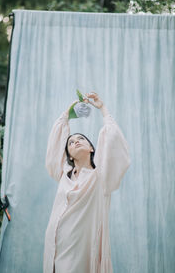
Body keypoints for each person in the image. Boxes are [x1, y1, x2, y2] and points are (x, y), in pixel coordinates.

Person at [43, 92, 131, 273]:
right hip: (55, 246)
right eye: (71, 142)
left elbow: (112, 138)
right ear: (68, 155)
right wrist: (67, 113)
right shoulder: (63, 174)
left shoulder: (102, 177)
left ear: (92, 148)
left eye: (81, 139)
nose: (75, 142)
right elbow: (55, 142)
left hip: (81, 252)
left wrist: (102, 108)